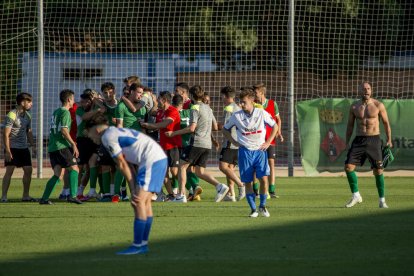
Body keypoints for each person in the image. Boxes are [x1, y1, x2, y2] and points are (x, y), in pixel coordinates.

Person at [85, 113, 167, 255]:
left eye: (90, 134)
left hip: (151, 160)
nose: (91, 138)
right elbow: (127, 162)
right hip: (156, 158)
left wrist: (133, 187)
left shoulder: (107, 137)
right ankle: (143, 244)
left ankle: (137, 246)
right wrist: (134, 184)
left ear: (96, 130)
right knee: (144, 202)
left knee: (138, 201)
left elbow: (121, 164)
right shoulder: (114, 132)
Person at [166, 85, 229, 203]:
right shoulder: (208, 108)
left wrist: (174, 133)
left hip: (197, 142)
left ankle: (181, 196)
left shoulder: (195, 107)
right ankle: (220, 186)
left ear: (191, 95)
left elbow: (191, 128)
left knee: (182, 167)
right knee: (200, 172)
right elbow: (215, 127)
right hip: (207, 144)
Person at [222, 87, 278, 217]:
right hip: (245, 152)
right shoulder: (236, 116)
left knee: (263, 180)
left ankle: (262, 206)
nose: (241, 104)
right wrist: (234, 142)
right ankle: (253, 210)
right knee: (247, 182)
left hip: (260, 151)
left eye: (244, 102)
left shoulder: (261, 113)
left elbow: (275, 126)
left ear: (252, 101)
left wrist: (268, 142)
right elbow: (225, 130)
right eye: (240, 102)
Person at [344, 81, 392, 208]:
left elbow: (386, 123)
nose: (367, 91)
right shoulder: (354, 107)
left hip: (374, 140)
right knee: (348, 167)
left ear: (371, 90)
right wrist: (347, 141)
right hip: (359, 140)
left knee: (378, 171)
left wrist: (389, 139)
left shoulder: (378, 105)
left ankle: (382, 200)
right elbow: (350, 126)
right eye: (364, 88)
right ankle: (356, 195)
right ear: (360, 90)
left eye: (369, 88)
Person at [39, 89, 82, 205]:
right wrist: (73, 144)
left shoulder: (56, 111)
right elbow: (64, 130)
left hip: (53, 147)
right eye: (73, 99)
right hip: (61, 146)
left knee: (57, 174)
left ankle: (44, 198)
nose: (74, 101)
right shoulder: (65, 112)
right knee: (74, 168)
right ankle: (73, 196)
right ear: (69, 99)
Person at [140, 91, 182, 200]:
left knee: (174, 172)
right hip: (162, 147)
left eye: (159, 99)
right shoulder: (160, 112)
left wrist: (149, 125)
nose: (157, 101)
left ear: (164, 100)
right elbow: (151, 112)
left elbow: (165, 124)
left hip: (173, 146)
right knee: (163, 173)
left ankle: (186, 188)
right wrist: (153, 101)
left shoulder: (173, 111)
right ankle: (171, 195)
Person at [2, 92, 36, 203]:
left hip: (23, 148)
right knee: (9, 171)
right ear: (22, 102)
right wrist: (7, 151)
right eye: (29, 102)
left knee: (28, 170)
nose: (31, 104)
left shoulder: (28, 116)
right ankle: (4, 196)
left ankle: (26, 195)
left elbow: (29, 132)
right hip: (12, 148)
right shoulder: (11, 115)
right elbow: (5, 134)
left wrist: (33, 145)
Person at [253, 83, 284, 198]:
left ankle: (272, 190)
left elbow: (278, 120)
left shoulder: (272, 103)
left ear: (261, 93)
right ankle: (256, 190)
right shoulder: (253, 105)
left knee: (271, 163)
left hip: (270, 139)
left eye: (256, 93)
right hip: (257, 140)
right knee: (256, 165)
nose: (254, 95)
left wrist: (279, 132)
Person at [218, 86, 246, 202]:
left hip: (230, 142)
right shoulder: (238, 107)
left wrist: (215, 126)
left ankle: (241, 185)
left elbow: (226, 126)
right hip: (238, 141)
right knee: (230, 168)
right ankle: (231, 194)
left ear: (225, 96)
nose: (221, 98)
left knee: (222, 166)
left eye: (222, 96)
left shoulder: (229, 108)